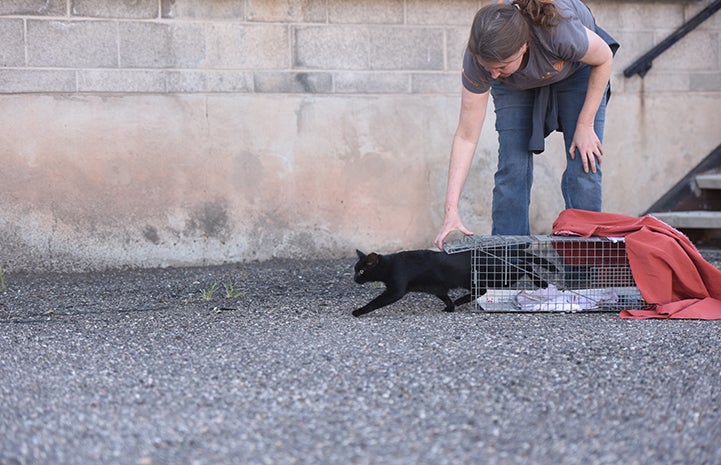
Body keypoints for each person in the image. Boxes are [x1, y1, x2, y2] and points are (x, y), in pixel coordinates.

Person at [434, 0, 618, 250]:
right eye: (490, 69)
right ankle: (507, 269)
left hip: (580, 70)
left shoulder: (558, 28)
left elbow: (604, 57)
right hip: (517, 85)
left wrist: (585, 125)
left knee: (584, 164)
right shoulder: (481, 63)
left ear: (524, 46)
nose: (494, 74)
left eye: (500, 67)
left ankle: (581, 270)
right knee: (512, 166)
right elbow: (466, 136)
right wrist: (451, 210)